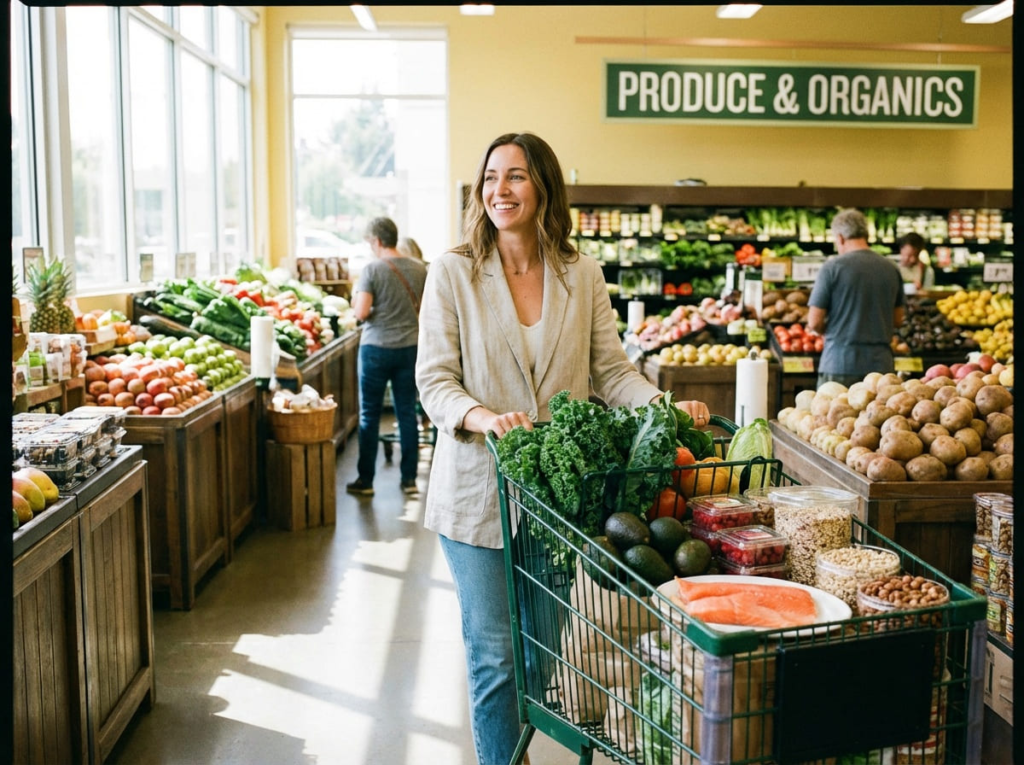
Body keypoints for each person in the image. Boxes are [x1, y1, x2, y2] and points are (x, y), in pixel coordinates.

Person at [414, 131, 710, 765]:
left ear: (544, 186)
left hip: (558, 503)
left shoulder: (581, 273)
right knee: (495, 655)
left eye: (516, 176)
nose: (500, 190)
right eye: (491, 177)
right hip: (477, 495)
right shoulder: (454, 272)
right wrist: (483, 416)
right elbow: (434, 380)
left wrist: (663, 407)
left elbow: (613, 371)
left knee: (538, 656)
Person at [346, 217, 428, 497]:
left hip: (376, 350)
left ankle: (366, 480)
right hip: (411, 349)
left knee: (369, 414)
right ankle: (409, 480)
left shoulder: (371, 269)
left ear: (377, 241)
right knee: (406, 412)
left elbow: (361, 312)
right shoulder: (420, 270)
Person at [808, 208, 906, 388]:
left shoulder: (832, 268)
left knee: (832, 415)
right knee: (878, 415)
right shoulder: (891, 268)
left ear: (840, 238)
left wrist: (829, 329)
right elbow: (898, 319)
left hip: (840, 362)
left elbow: (814, 322)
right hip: (881, 367)